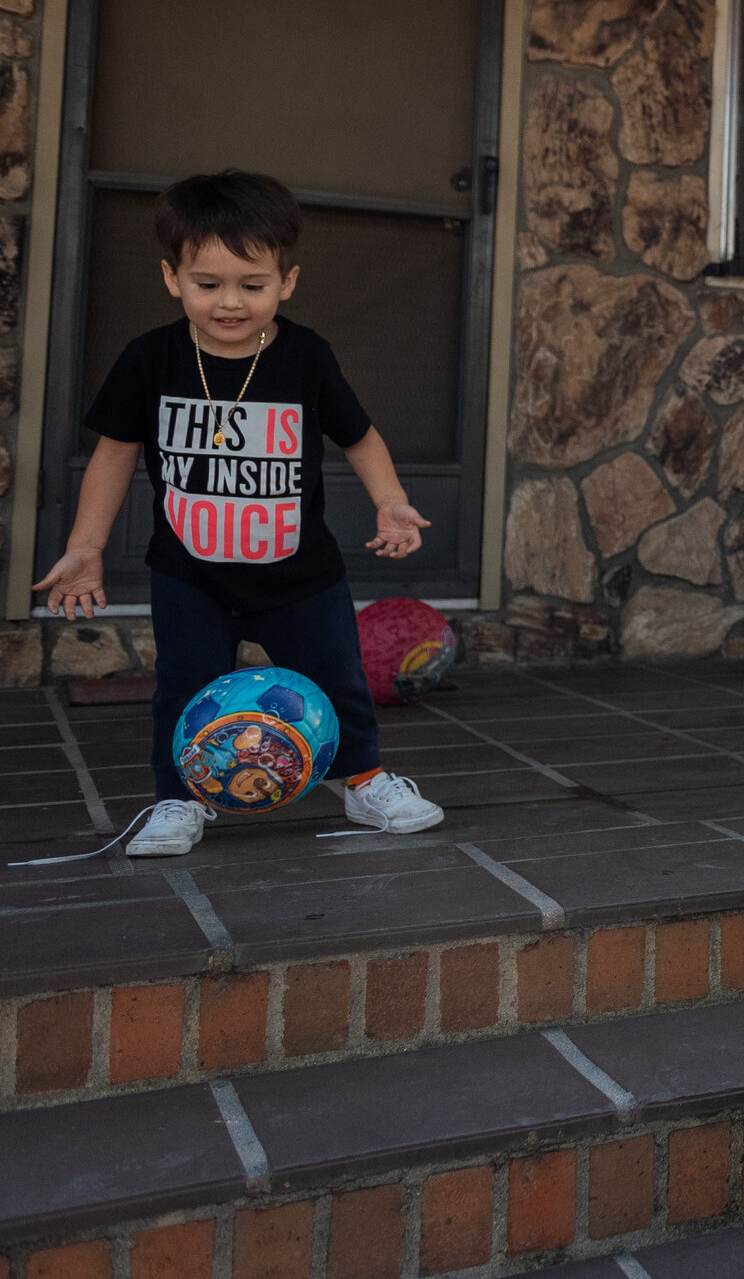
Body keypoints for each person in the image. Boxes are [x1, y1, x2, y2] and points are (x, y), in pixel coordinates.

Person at [37, 171, 443, 856]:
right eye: (208, 283)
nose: (230, 302)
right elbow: (113, 454)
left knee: (337, 678)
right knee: (184, 687)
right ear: (172, 277)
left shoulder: (305, 356)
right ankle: (176, 800)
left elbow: (359, 436)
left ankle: (365, 783)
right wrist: (86, 545)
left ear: (286, 281)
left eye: (252, 285)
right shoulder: (150, 359)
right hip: (189, 572)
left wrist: (391, 500)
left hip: (299, 572)